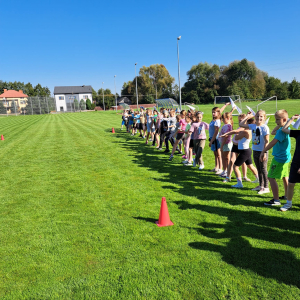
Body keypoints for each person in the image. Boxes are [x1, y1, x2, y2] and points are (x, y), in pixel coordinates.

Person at [259, 110, 291, 206]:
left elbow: (273, 142)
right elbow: (273, 132)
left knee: (271, 177)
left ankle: (276, 200)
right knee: (285, 176)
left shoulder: (281, 131)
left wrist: (263, 151)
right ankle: (287, 195)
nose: (276, 122)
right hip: (285, 157)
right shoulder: (285, 128)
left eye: (277, 120)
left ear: (284, 119)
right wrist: (281, 123)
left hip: (279, 158)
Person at [220, 117, 259, 188]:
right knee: (250, 165)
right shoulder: (249, 131)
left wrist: (238, 131)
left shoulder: (245, 132)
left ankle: (239, 184)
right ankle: (258, 179)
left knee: (235, 167)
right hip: (246, 150)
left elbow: (236, 137)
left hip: (244, 151)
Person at [239, 110, 270, 194]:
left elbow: (267, 141)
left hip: (262, 151)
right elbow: (241, 124)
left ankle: (266, 187)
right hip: (255, 150)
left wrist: (264, 153)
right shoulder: (252, 126)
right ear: (255, 116)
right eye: (257, 116)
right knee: (259, 169)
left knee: (263, 169)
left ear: (264, 118)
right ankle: (261, 185)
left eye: (261, 116)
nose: (259, 118)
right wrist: (247, 117)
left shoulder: (265, 127)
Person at [280, 114, 300, 211]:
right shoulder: (298, 133)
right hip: (296, 162)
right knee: (291, 183)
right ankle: (288, 204)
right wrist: (292, 119)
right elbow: (284, 129)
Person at [222, 114, 249, 183]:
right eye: (239, 120)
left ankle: (244, 176)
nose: (240, 122)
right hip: (235, 146)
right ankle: (228, 177)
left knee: (243, 162)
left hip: (241, 147)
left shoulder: (243, 128)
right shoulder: (239, 127)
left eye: (241, 120)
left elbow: (235, 132)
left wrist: (227, 133)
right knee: (231, 160)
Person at [208, 103, 233, 174]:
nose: (213, 113)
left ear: (218, 113)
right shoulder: (214, 119)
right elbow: (220, 110)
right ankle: (216, 167)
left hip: (215, 138)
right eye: (212, 112)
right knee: (215, 154)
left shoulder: (217, 120)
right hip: (212, 138)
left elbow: (216, 132)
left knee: (219, 154)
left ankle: (220, 168)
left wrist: (211, 141)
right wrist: (226, 105)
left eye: (214, 112)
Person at [218, 112, 234, 177]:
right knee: (223, 158)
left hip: (226, 144)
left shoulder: (228, 126)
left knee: (226, 158)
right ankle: (224, 170)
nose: (222, 120)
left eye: (223, 119)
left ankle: (227, 171)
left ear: (227, 118)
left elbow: (226, 136)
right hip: (223, 143)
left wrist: (221, 146)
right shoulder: (225, 125)